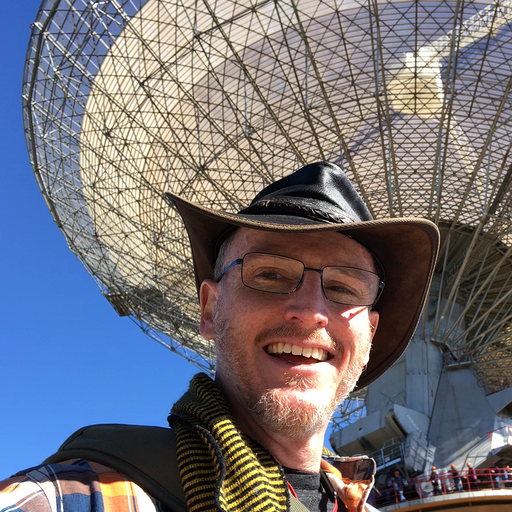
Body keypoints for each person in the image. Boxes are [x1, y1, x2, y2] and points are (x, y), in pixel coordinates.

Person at [0, 162, 439, 512]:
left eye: (344, 289)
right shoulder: (81, 496)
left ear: (370, 333)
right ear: (210, 308)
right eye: (269, 274)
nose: (311, 312)